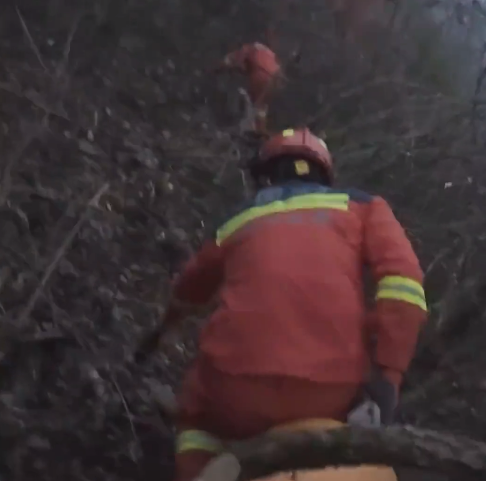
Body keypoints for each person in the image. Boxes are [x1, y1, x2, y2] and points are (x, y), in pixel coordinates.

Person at [154, 128, 427, 481]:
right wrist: (388, 377)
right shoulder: (364, 207)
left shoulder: (237, 219)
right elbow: (404, 284)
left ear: (266, 175)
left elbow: (189, 289)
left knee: (195, 417)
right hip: (330, 390)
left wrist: (165, 326)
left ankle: (200, 467)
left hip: (234, 388)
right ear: (325, 173)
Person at [215, 42, 283, 134]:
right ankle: (259, 131)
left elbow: (229, 61)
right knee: (260, 107)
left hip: (259, 77)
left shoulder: (249, 49)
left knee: (255, 106)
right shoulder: (269, 54)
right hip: (272, 79)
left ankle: (240, 124)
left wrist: (216, 69)